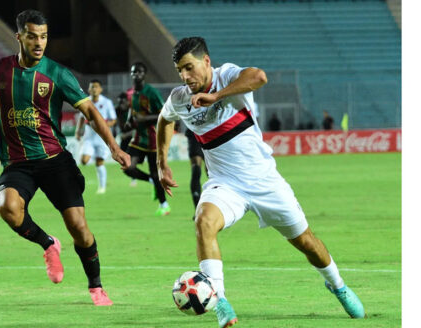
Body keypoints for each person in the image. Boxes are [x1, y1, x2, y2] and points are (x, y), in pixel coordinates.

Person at [156, 37, 365, 327]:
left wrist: (217, 97)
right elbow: (164, 120)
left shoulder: (227, 75)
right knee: (203, 222)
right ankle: (220, 302)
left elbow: (259, 76)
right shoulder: (180, 98)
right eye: (180, 70)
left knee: (307, 243)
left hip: (265, 181)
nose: (185, 76)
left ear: (206, 61)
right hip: (225, 184)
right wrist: (161, 161)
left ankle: (338, 285)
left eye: (189, 68)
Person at [0, 10, 130, 306]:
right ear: (19, 37)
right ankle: (48, 244)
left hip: (56, 160)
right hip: (18, 164)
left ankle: (96, 286)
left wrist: (114, 146)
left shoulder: (57, 74)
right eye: (32, 36)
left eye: (43, 36)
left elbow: (90, 111)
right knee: (8, 207)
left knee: (78, 227)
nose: (39, 42)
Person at [123, 62, 170, 216]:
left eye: (139, 72)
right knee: (128, 167)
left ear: (144, 75)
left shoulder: (152, 92)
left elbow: (163, 113)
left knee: (157, 174)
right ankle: (150, 180)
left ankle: (164, 205)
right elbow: (132, 110)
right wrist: (130, 120)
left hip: (152, 138)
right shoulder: (130, 93)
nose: (136, 75)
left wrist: (145, 118)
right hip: (138, 137)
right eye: (133, 72)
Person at [75, 79, 117, 194]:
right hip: (89, 136)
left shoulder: (107, 102)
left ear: (100, 89)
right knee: (84, 161)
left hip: (102, 138)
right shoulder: (86, 101)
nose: (94, 89)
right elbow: (81, 117)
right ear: (89, 89)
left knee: (99, 162)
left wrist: (102, 125)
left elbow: (113, 120)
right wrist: (78, 131)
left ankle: (102, 187)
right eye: (92, 87)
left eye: (96, 87)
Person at [185, 127, 205, 219]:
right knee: (196, 170)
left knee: (213, 172)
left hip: (214, 131)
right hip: (194, 132)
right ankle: (198, 209)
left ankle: (220, 206)